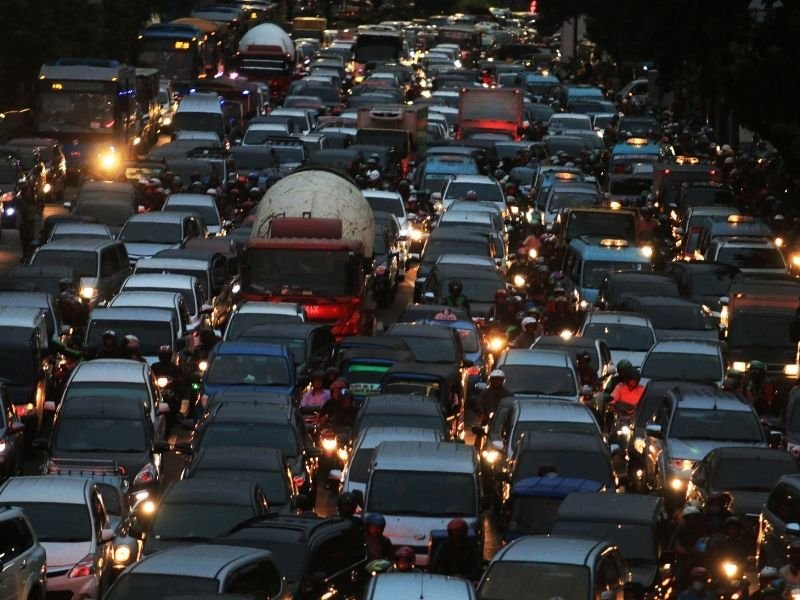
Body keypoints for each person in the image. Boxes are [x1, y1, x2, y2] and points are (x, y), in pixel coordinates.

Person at [675, 505, 708, 590]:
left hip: (697, 559)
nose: (692, 521)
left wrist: (696, 551)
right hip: (683, 559)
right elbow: (677, 543)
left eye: (694, 518)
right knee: (680, 576)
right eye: (690, 518)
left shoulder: (701, 529)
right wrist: (681, 549)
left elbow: (702, 546)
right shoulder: (681, 528)